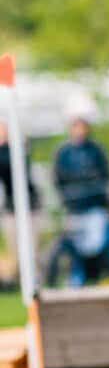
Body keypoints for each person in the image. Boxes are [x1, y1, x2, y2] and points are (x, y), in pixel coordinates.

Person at [53, 103, 109, 266]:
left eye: (82, 126)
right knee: (76, 244)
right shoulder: (64, 153)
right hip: (74, 207)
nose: (79, 130)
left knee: (96, 244)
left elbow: (106, 175)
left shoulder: (96, 150)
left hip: (94, 205)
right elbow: (58, 179)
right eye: (76, 126)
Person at [0, 119, 41, 289]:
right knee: (15, 250)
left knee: (32, 249)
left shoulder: (18, 150)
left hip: (30, 207)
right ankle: (17, 282)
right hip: (11, 207)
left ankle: (34, 282)